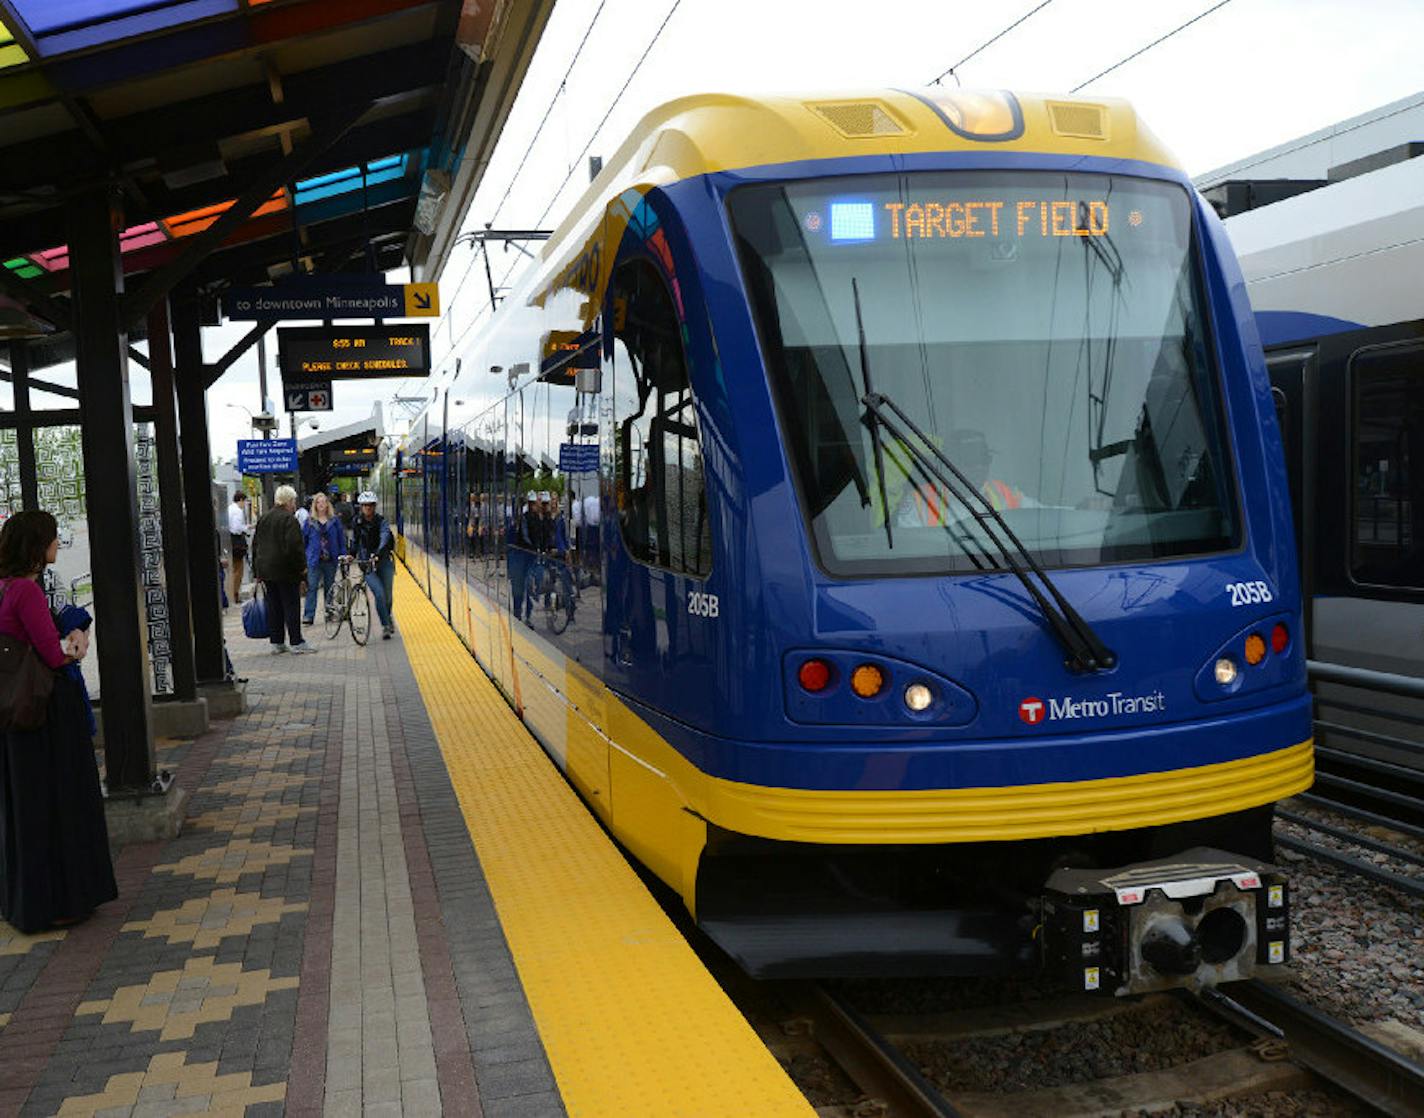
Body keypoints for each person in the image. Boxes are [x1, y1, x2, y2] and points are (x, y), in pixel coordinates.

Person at [0, 510, 117, 933]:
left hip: (14, 718)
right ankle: (62, 900)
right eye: (52, 538)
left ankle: (27, 901)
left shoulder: (4, 589)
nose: (56, 544)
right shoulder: (26, 592)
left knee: (24, 811)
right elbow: (52, 655)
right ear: (36, 546)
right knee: (59, 805)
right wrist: (76, 647)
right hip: (45, 716)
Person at [893, 428, 1029, 528]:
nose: (979, 467)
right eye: (970, 460)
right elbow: (915, 552)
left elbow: (1046, 518)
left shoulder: (1005, 494)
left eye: (984, 459)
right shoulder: (918, 502)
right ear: (948, 464)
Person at [251, 485, 316, 654]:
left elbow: (255, 545)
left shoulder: (264, 518)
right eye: (293, 500)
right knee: (291, 605)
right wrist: (302, 568)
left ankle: (277, 642)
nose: (294, 504)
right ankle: (296, 641)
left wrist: (257, 571)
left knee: (274, 606)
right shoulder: (289, 519)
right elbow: (294, 547)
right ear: (288, 501)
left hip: (266, 571)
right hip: (286, 571)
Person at [352, 491, 397, 639]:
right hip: (367, 564)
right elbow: (355, 541)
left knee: (388, 596)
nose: (368, 508)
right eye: (365, 505)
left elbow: (384, 536)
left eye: (370, 505)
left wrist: (378, 552)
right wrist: (351, 555)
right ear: (361, 507)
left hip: (383, 560)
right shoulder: (357, 522)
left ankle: (387, 616)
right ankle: (385, 625)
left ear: (375, 506)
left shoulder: (381, 521)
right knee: (379, 593)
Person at [302, 492, 346, 626]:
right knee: (312, 588)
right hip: (314, 560)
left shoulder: (334, 521)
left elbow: (341, 539)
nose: (321, 505)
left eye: (324, 502)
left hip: (330, 560)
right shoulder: (309, 522)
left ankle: (329, 612)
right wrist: (304, 558)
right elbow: (303, 541)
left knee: (330, 587)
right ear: (315, 505)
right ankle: (308, 615)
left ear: (328, 504)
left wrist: (343, 554)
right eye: (319, 502)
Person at [226, 490, 250, 604]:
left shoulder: (229, 508)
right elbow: (237, 528)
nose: (244, 504)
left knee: (233, 568)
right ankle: (235, 593)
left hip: (230, 541)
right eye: (244, 501)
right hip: (237, 542)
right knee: (238, 569)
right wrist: (246, 528)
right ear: (240, 500)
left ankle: (233, 593)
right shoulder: (238, 511)